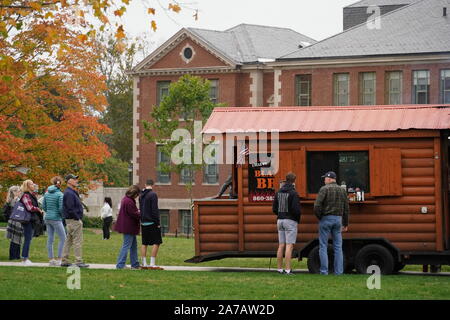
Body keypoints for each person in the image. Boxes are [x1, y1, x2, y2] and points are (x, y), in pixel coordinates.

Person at [314, 171, 350, 275]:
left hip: (325, 218)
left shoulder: (324, 189)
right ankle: (339, 272)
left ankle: (324, 271)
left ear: (330, 179)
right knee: (338, 247)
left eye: (325, 178)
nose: (324, 180)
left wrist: (320, 217)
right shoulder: (342, 190)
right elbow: (346, 209)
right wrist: (345, 223)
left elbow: (317, 206)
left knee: (323, 245)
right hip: (338, 220)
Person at [272, 172, 301, 275]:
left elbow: (274, 209)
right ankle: (288, 270)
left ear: (286, 180)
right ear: (294, 181)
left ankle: (279, 269)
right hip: (290, 220)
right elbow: (296, 210)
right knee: (289, 245)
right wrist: (296, 219)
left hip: (280, 220)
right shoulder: (293, 193)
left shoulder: (278, 192)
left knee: (281, 245)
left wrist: (280, 214)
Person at [61, 174, 89, 268]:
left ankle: (64, 260)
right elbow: (70, 208)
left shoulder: (71, 192)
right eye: (74, 179)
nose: (76, 181)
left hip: (71, 220)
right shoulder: (69, 193)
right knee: (77, 241)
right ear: (69, 181)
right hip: (74, 220)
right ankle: (78, 261)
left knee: (68, 240)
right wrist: (77, 218)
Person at [114, 185, 141, 269]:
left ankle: (135, 264)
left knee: (133, 246)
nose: (137, 196)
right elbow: (134, 214)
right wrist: (141, 212)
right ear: (134, 193)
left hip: (128, 226)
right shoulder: (129, 201)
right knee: (126, 246)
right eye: (137, 194)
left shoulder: (126, 199)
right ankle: (120, 264)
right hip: (129, 227)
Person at [18, 179, 44, 265]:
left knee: (28, 239)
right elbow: (29, 208)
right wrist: (38, 209)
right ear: (28, 186)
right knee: (27, 239)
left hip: (31, 220)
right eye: (32, 184)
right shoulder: (26, 195)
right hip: (27, 220)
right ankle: (25, 259)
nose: (34, 185)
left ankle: (25, 258)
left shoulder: (31, 195)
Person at [140, 179, 163, 269]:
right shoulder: (153, 195)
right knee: (157, 242)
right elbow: (154, 210)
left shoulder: (141, 195)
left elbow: (141, 209)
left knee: (144, 243)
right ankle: (152, 263)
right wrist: (157, 222)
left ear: (145, 184)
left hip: (143, 222)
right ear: (153, 185)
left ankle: (144, 263)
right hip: (152, 222)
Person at [43, 176, 66, 266]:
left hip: (47, 217)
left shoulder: (46, 193)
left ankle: (51, 259)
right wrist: (62, 216)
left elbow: (44, 206)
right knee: (63, 238)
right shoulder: (60, 194)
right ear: (60, 184)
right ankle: (59, 259)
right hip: (56, 218)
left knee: (50, 238)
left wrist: (48, 211)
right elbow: (61, 208)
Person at [4, 186, 22, 260]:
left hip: (13, 220)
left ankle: (16, 255)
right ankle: (13, 256)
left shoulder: (10, 200)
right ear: (14, 192)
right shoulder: (15, 200)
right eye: (18, 191)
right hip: (16, 220)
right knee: (16, 239)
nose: (20, 192)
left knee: (16, 239)